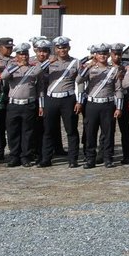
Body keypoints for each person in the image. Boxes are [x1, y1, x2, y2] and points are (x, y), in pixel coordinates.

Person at [74, 44, 120, 169]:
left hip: (108, 104)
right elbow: (78, 80)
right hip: (92, 104)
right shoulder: (90, 69)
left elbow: (118, 89)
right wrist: (87, 67)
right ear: (96, 55)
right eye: (100, 54)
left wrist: (119, 107)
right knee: (90, 133)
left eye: (105, 54)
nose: (102, 56)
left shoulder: (113, 69)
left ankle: (108, 158)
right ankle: (90, 159)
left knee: (108, 133)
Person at [37, 39, 81, 168]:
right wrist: (46, 63)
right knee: (48, 130)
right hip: (51, 99)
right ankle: (46, 158)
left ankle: (73, 159)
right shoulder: (49, 62)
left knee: (71, 130)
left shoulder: (75, 62)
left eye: (64, 47)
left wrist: (79, 100)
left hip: (68, 98)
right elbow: (36, 75)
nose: (62, 50)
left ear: (69, 48)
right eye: (59, 48)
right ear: (55, 49)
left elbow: (81, 82)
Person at [0, 43, 42, 167]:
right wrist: (18, 66)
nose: (24, 57)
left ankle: (26, 157)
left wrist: (41, 105)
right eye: (21, 54)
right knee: (13, 132)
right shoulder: (11, 66)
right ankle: (14, 157)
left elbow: (40, 87)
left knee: (27, 132)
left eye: (25, 54)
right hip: (14, 105)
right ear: (17, 56)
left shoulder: (34, 67)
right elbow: (3, 76)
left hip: (28, 104)